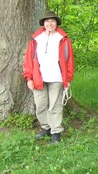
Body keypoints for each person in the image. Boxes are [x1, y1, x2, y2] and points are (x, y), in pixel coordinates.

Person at [23, 10, 74, 144]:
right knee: (40, 105)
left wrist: (68, 79)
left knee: (55, 106)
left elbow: (69, 61)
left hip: (57, 78)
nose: (50, 23)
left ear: (56, 23)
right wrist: (29, 78)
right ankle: (46, 127)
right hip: (38, 78)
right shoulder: (35, 39)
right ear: (43, 23)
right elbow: (29, 60)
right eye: (47, 21)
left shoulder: (63, 39)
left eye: (52, 21)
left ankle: (56, 133)